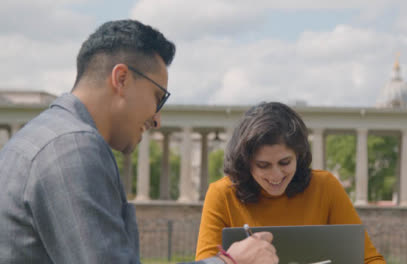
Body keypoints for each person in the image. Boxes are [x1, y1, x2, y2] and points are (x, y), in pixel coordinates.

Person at [0, 19, 277, 264]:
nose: (157, 119)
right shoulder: (72, 148)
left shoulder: (40, 137)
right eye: (159, 98)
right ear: (121, 79)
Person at [196, 102, 387, 263]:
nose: (276, 175)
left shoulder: (326, 187)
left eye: (285, 162)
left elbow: (369, 260)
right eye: (263, 165)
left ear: (299, 155)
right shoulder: (221, 194)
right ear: (246, 164)